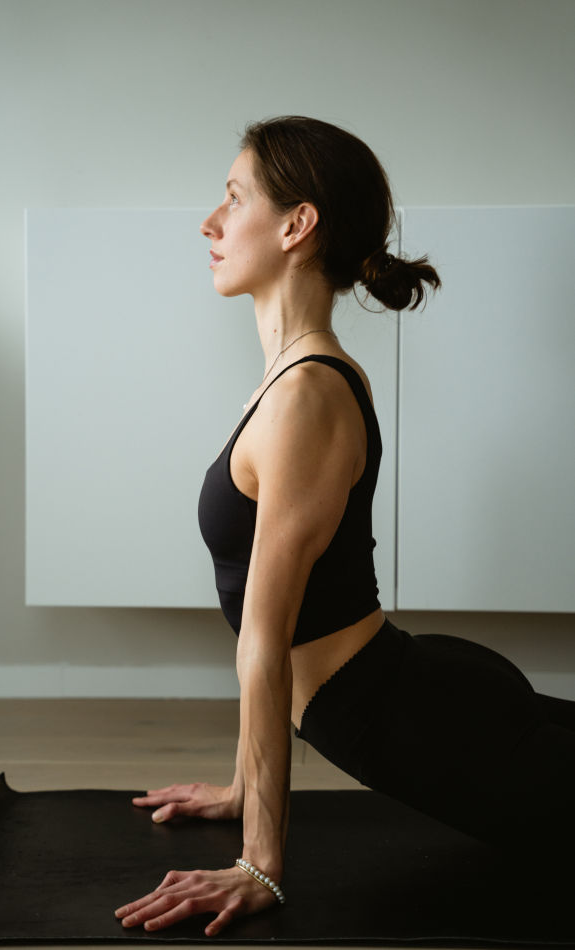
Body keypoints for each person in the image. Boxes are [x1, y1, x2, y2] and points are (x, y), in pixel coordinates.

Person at [115, 116, 575, 936]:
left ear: (296, 224)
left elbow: (266, 644)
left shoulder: (305, 395)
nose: (209, 223)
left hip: (423, 724)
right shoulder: (290, 380)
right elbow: (269, 639)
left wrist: (259, 863)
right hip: (413, 693)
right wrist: (241, 788)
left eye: (233, 198)